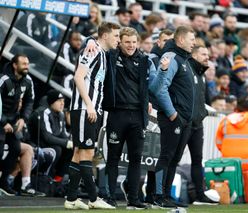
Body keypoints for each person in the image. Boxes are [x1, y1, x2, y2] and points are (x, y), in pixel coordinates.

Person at [103, 27, 169, 210]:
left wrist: (163, 70)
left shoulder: (146, 60)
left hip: (138, 117)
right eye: (127, 42)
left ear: (138, 42)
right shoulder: (111, 56)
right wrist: (90, 43)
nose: (131, 45)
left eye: (134, 42)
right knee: (113, 158)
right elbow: (97, 41)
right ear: (120, 42)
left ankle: (133, 199)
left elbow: (155, 87)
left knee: (136, 159)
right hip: (117, 114)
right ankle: (109, 197)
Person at [64, 22, 120, 210]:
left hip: (92, 108)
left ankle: (71, 199)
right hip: (84, 108)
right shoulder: (92, 49)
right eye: (116, 36)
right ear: (105, 36)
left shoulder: (103, 53)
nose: (118, 40)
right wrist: (89, 105)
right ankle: (94, 198)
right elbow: (78, 77)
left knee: (79, 153)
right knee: (87, 152)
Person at [150, 26, 196, 208]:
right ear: (181, 40)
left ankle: (166, 195)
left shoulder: (185, 59)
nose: (194, 43)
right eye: (192, 39)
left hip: (183, 118)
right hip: (173, 117)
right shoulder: (170, 57)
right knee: (166, 156)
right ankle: (158, 195)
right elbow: (158, 88)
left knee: (174, 158)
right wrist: (172, 113)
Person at [187, 45, 217, 205]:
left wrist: (205, 112)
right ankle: (162, 193)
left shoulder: (202, 74)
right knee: (172, 159)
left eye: (208, 54)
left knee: (197, 159)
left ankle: (200, 194)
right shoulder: (187, 70)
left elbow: (206, 101)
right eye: (203, 54)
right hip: (184, 123)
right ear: (194, 55)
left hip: (197, 124)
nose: (207, 57)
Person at [0, 54, 34, 196]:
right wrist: (3, 122)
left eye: (28, 63)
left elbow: (29, 102)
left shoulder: (28, 81)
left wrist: (23, 119)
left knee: (15, 149)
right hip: (1, 121)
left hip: (13, 122)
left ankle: (3, 183)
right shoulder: (3, 80)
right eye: (23, 64)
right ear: (15, 65)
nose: (27, 66)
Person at [39, 90, 73, 180]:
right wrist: (67, 143)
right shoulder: (44, 113)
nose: (62, 104)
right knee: (57, 149)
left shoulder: (60, 114)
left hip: (52, 144)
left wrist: (73, 143)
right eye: (59, 101)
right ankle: (46, 177)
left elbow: (62, 135)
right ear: (51, 102)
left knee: (71, 149)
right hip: (38, 144)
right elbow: (47, 138)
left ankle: (59, 179)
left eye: (63, 101)